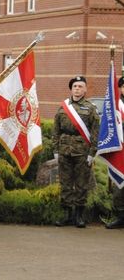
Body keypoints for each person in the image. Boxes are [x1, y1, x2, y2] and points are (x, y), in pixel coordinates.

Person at [53, 76, 99, 228]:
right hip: (64, 150)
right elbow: (56, 130)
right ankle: (67, 215)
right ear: (71, 89)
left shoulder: (90, 108)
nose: (77, 89)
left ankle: (79, 216)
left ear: (85, 89)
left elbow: (95, 132)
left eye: (80, 86)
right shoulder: (63, 107)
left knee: (81, 184)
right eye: (75, 86)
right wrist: (56, 150)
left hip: (82, 151)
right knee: (65, 183)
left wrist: (92, 153)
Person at [106, 76, 124, 229]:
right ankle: (120, 217)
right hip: (121, 152)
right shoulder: (115, 106)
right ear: (120, 88)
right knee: (120, 187)